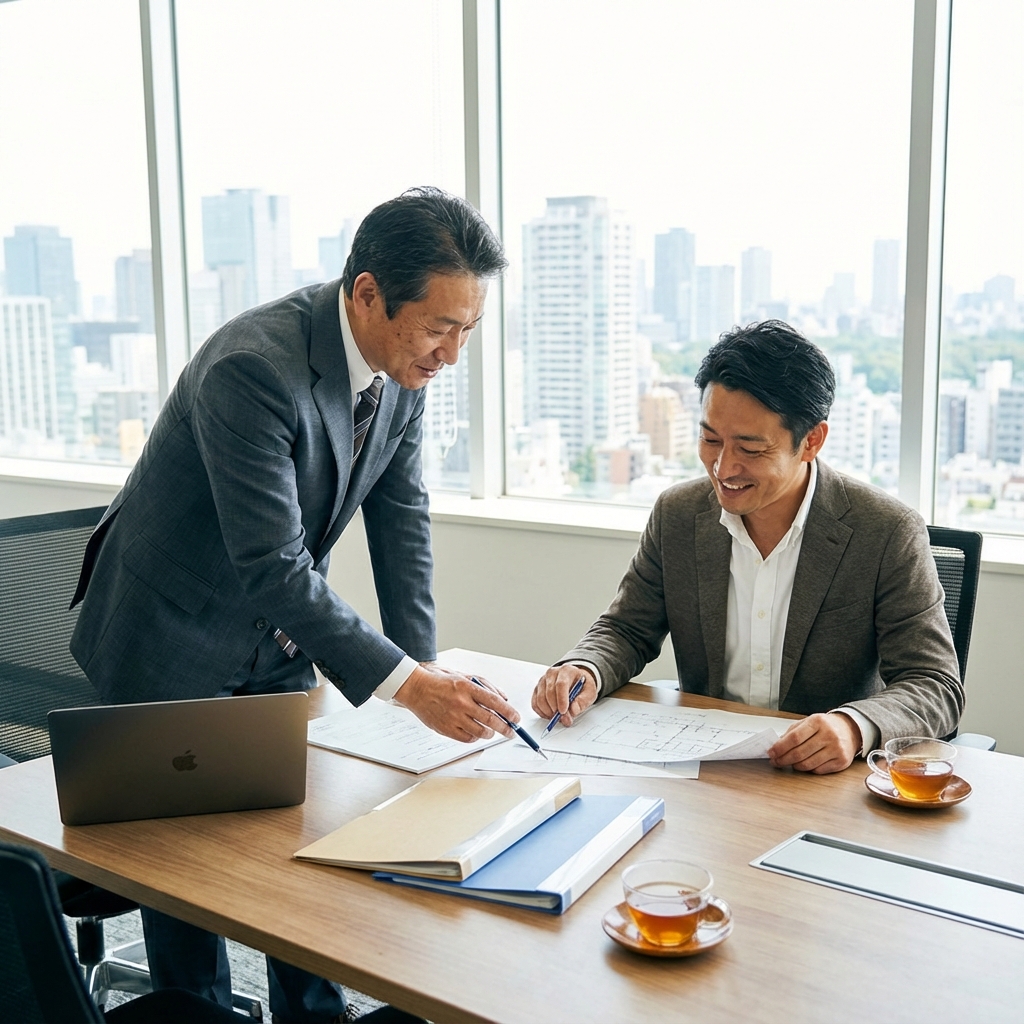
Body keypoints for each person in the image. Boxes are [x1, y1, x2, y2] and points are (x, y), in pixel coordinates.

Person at [69, 187, 519, 1024]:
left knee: (295, 844)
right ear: (367, 295)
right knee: (191, 877)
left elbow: (402, 521)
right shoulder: (255, 366)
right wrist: (408, 688)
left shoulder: (400, 368)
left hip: (271, 634)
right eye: (438, 327)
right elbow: (272, 564)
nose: (452, 354)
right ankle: (194, 1011)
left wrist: (423, 671)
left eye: (469, 330)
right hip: (167, 631)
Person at [532, 320, 963, 776]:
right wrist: (585, 667)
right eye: (710, 439)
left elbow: (934, 683)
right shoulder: (678, 514)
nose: (723, 467)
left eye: (751, 449)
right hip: (705, 769)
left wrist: (855, 726)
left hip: (822, 779)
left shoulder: (885, 531)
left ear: (811, 441)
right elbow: (627, 629)